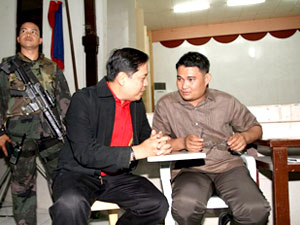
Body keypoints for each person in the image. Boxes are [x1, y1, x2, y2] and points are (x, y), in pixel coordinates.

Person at [49, 47, 171, 225]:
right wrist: (135, 152)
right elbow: (86, 152)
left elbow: (144, 139)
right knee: (70, 205)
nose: (146, 84)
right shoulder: (83, 100)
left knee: (156, 204)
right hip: (78, 174)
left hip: (117, 177)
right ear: (122, 78)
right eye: (143, 77)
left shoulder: (135, 105)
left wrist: (158, 144)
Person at [152, 52, 271, 225]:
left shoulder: (226, 101)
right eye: (179, 79)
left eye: (191, 79)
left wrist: (244, 137)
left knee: (255, 210)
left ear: (207, 78)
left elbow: (255, 128)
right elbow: (157, 144)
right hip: (190, 170)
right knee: (185, 207)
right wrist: (182, 142)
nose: (184, 85)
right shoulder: (166, 105)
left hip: (228, 167)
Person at [0, 21, 71, 225]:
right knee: (22, 186)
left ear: (40, 39)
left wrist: (71, 133)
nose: (28, 34)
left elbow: (64, 100)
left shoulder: (52, 67)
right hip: (18, 136)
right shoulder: (6, 68)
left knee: (62, 181)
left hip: (51, 135)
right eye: (24, 31)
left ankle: (66, 219)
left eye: (34, 31)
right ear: (18, 38)